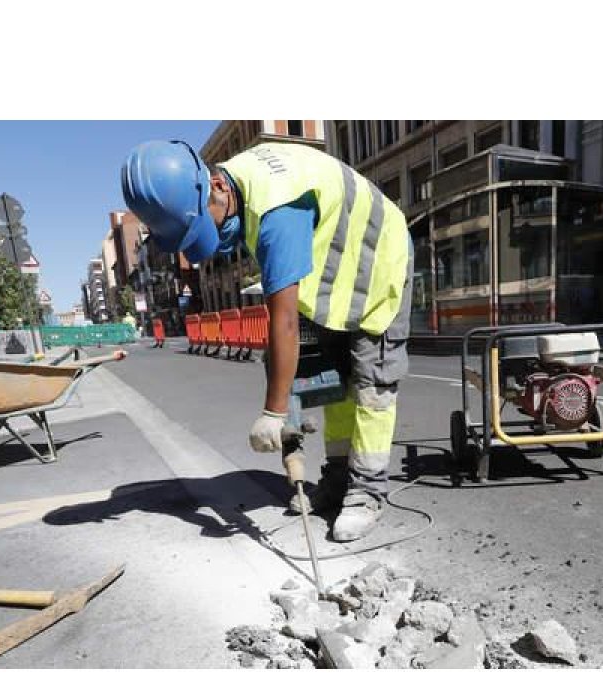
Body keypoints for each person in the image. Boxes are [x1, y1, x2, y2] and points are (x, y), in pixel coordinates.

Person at [121, 140, 411, 542]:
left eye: (208, 224)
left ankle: (367, 492)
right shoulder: (234, 189)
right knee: (335, 384)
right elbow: (284, 333)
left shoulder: (276, 209)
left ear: (217, 186)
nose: (217, 234)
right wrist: (284, 398)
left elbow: (284, 321)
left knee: (372, 384)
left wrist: (275, 412)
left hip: (377, 261)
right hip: (330, 276)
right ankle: (341, 478)